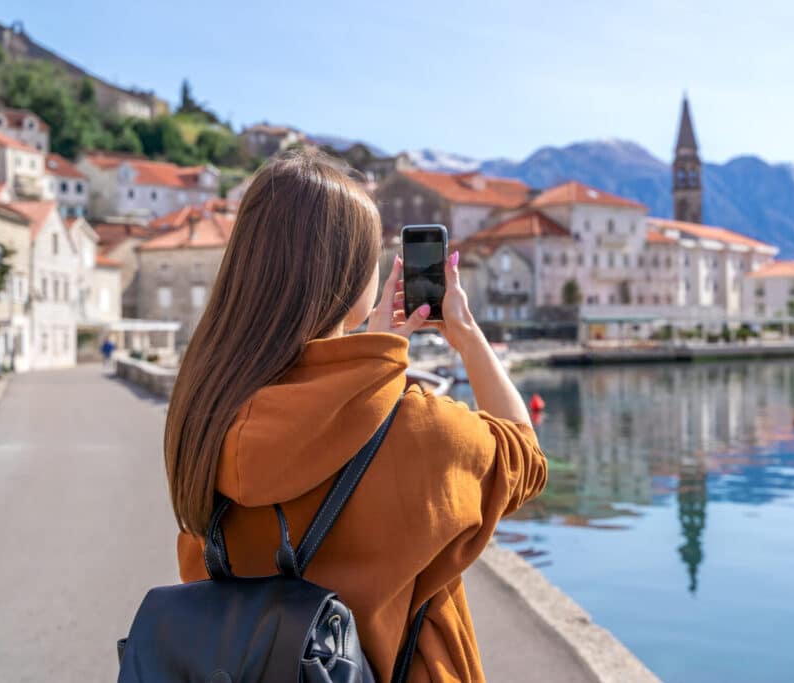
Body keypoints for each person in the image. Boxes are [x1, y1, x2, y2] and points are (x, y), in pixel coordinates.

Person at [165, 149, 547, 682]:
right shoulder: (414, 430)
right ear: (352, 279)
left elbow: (311, 409)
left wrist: (371, 357)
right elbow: (524, 457)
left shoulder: (203, 410)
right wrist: (466, 335)